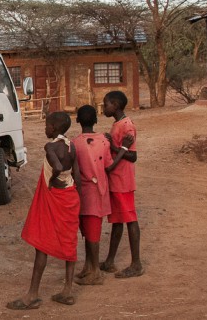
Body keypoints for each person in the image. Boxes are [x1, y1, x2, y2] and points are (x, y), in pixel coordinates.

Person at [8, 112, 79, 310]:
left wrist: (53, 176)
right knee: (69, 242)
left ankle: (32, 294)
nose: (45, 129)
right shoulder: (72, 147)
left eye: (46, 126)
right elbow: (78, 176)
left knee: (42, 242)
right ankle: (67, 290)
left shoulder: (50, 146)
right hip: (70, 196)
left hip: (54, 197)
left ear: (54, 128)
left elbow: (56, 165)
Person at [72, 104, 120, 286]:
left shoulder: (75, 143)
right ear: (96, 120)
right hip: (98, 192)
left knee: (90, 234)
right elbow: (108, 166)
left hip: (83, 193)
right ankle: (89, 266)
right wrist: (122, 151)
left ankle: (95, 272)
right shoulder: (104, 141)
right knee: (91, 232)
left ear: (77, 120)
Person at [99, 90, 143, 279]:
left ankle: (136, 264)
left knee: (130, 219)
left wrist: (115, 147)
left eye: (106, 104)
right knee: (117, 221)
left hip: (123, 180)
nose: (104, 107)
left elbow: (132, 156)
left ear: (115, 105)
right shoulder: (117, 124)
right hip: (116, 181)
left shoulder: (127, 126)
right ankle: (110, 261)